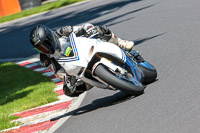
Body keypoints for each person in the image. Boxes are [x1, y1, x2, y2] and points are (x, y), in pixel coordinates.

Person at [29, 23, 136, 97]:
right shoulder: (45, 58)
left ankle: (120, 42)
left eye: (44, 44)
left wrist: (89, 29)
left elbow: (80, 28)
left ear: (49, 36)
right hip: (74, 66)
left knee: (101, 29)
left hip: (84, 47)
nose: (44, 48)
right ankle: (98, 80)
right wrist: (67, 77)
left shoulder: (60, 32)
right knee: (69, 90)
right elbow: (57, 71)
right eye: (40, 48)